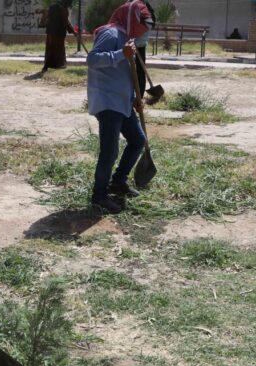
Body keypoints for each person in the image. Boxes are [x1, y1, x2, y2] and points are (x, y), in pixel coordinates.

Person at [85, 0, 152, 214]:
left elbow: (124, 73)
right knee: (110, 151)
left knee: (138, 140)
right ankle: (99, 195)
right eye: (143, 23)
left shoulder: (128, 38)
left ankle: (118, 181)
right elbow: (93, 59)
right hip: (107, 101)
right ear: (132, 18)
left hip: (122, 101)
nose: (145, 29)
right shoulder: (111, 33)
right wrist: (120, 54)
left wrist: (134, 96)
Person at [41, 0, 75, 72]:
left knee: (50, 49)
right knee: (58, 50)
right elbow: (66, 22)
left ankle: (46, 66)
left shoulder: (52, 7)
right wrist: (74, 32)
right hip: (58, 34)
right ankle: (58, 66)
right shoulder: (63, 9)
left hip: (50, 32)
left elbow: (46, 17)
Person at [134, 0, 155, 99]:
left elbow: (151, 23)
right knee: (131, 72)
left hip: (140, 44)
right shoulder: (132, 5)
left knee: (140, 72)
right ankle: (133, 97)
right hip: (131, 44)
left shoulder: (145, 6)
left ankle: (139, 98)